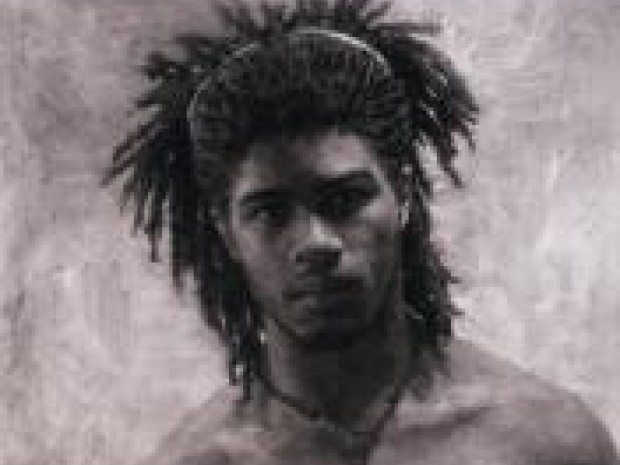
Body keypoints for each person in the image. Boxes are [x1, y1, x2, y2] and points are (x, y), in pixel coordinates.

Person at [105, 1, 618, 463]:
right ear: (226, 231)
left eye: (345, 200)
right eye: (271, 213)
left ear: (403, 194)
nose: (315, 243)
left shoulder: (544, 443)